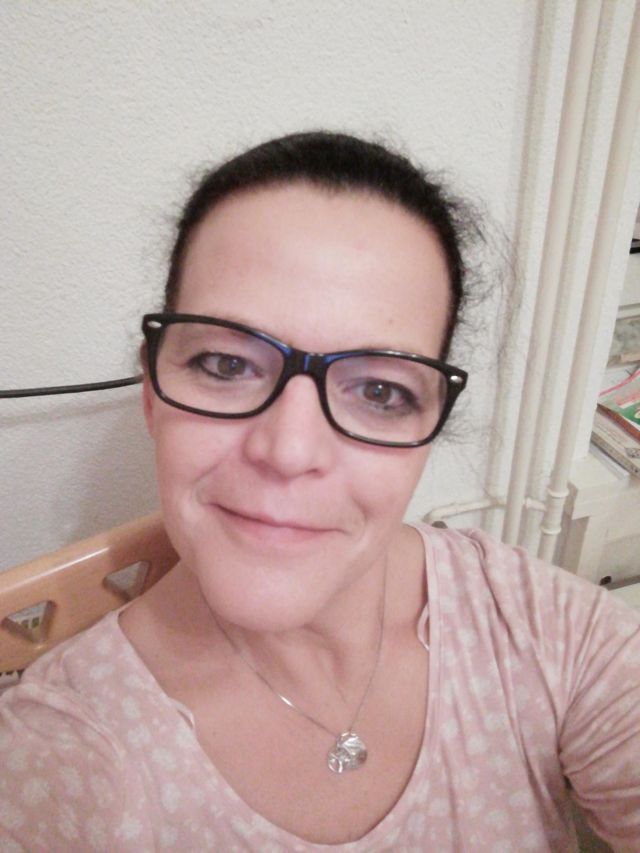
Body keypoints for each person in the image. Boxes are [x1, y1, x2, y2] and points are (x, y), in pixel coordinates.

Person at [1, 131, 639, 852]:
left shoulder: (541, 631)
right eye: (225, 363)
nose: (289, 451)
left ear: (429, 430)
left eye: (380, 391)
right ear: (152, 392)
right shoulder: (60, 764)